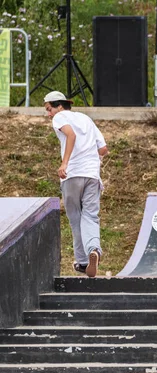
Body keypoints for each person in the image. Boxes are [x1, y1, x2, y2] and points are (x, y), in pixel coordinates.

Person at [44, 91, 108, 278]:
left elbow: (70, 136)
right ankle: (94, 250)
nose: (48, 114)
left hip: (71, 175)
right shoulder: (86, 119)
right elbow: (103, 149)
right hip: (92, 176)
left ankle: (82, 262)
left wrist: (64, 163)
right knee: (90, 216)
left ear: (59, 106)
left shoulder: (60, 117)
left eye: (49, 109)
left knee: (75, 218)